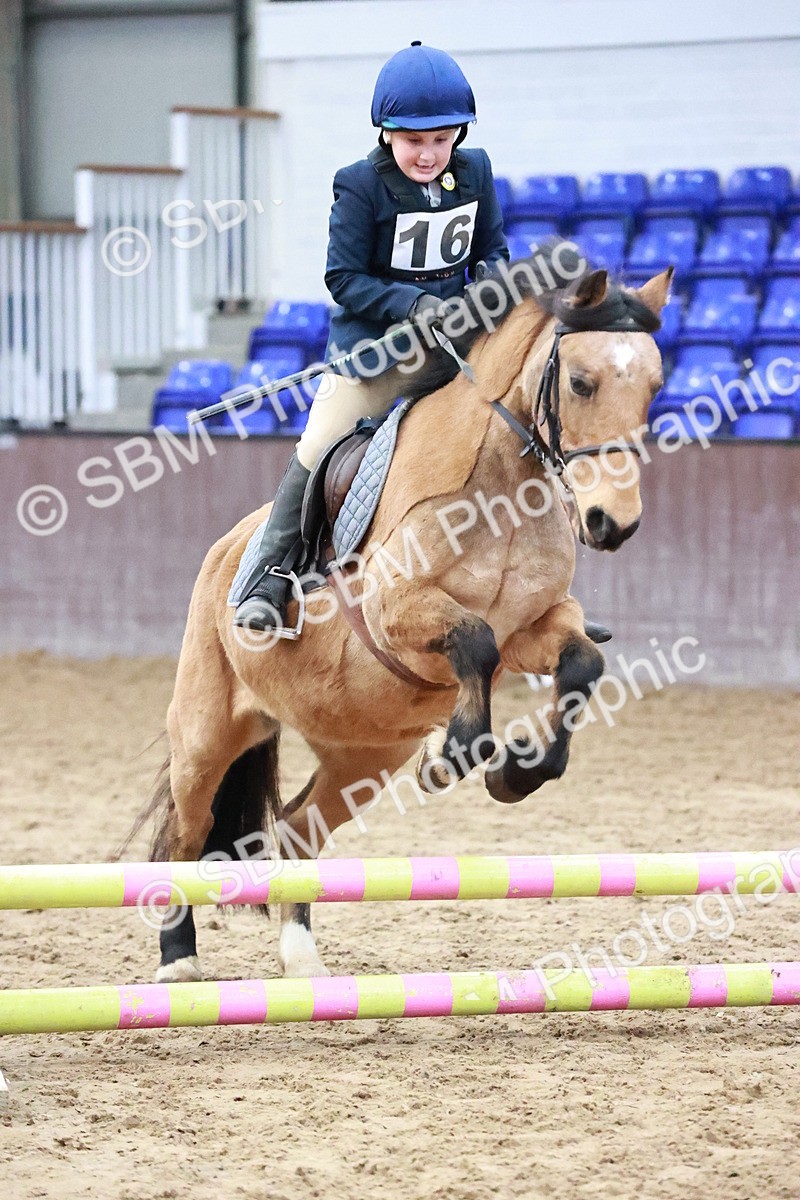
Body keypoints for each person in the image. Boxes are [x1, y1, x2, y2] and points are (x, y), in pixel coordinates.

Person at [233, 41, 510, 633]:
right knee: (318, 447)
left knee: (518, 424)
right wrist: (413, 304)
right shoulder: (359, 184)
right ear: (386, 132)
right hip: (376, 359)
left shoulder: (477, 170)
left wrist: (489, 284)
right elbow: (343, 278)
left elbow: (491, 251)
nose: (430, 154)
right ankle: (270, 576)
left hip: (453, 356)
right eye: (415, 141)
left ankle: (528, 576)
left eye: (442, 139)